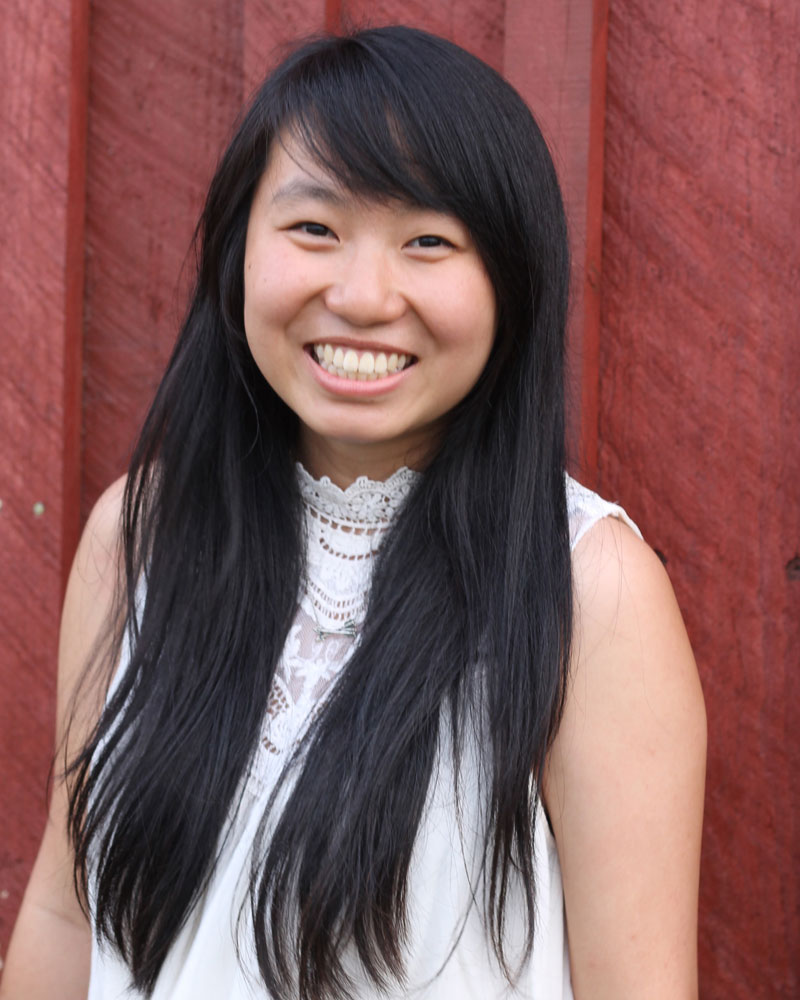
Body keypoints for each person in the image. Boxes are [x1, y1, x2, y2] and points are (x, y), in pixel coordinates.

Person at [0, 25, 706, 1000]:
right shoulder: (140, 535)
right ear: (236, 252)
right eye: (313, 229)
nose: (364, 296)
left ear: (510, 280)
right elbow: (63, 909)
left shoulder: (587, 585)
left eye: (426, 242)